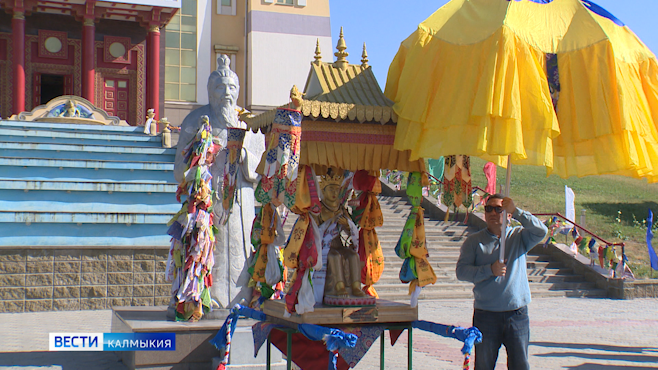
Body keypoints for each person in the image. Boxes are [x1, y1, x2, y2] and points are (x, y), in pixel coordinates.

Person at [174, 54, 264, 309]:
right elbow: (179, 170)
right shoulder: (195, 121)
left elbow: (260, 169)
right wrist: (201, 160)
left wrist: (245, 155)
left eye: (232, 87)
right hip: (209, 200)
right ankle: (202, 298)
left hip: (241, 202)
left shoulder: (250, 123)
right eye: (220, 87)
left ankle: (243, 298)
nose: (227, 92)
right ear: (210, 91)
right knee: (207, 247)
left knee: (240, 248)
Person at [456, 194, 548, 370]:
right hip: (486, 315)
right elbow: (461, 272)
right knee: (483, 365)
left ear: (508, 214)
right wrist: (489, 270)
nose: (493, 212)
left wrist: (518, 212)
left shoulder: (519, 237)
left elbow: (541, 231)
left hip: (517, 314)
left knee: (520, 365)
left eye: (499, 209)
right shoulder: (474, 242)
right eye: (488, 208)